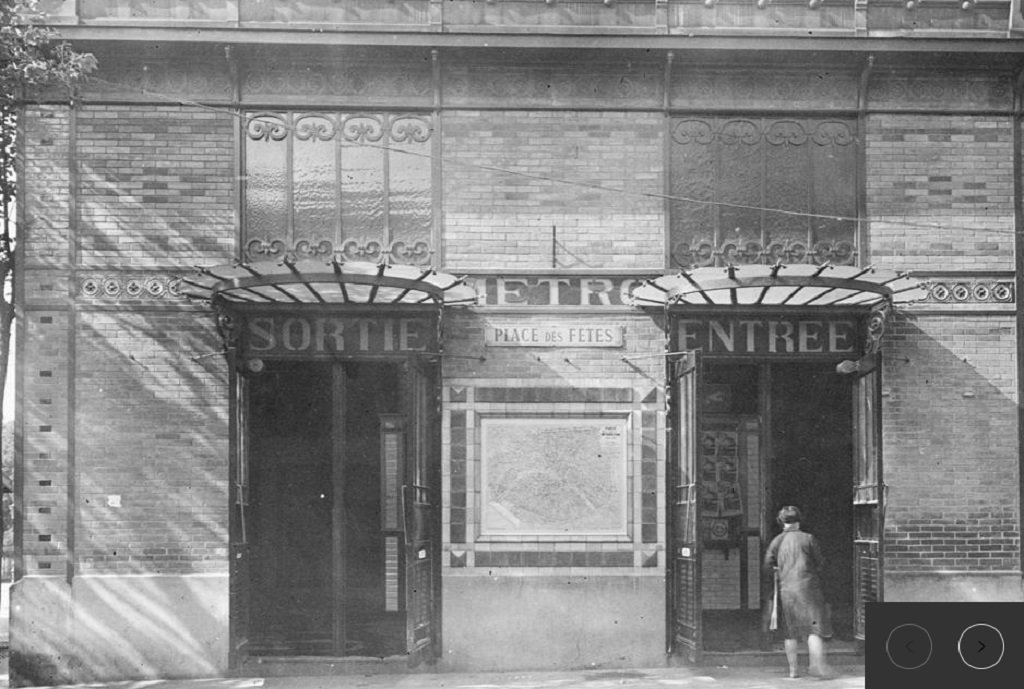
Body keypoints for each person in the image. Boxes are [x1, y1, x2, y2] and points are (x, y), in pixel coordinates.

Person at [764, 505, 834, 679]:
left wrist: (778, 571)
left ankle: (793, 670)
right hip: (810, 589)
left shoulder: (777, 541)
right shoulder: (809, 539)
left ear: (781, 521)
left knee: (790, 632)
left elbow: (767, 566)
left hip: (787, 590)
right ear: (799, 520)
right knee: (814, 630)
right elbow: (821, 563)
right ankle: (816, 666)